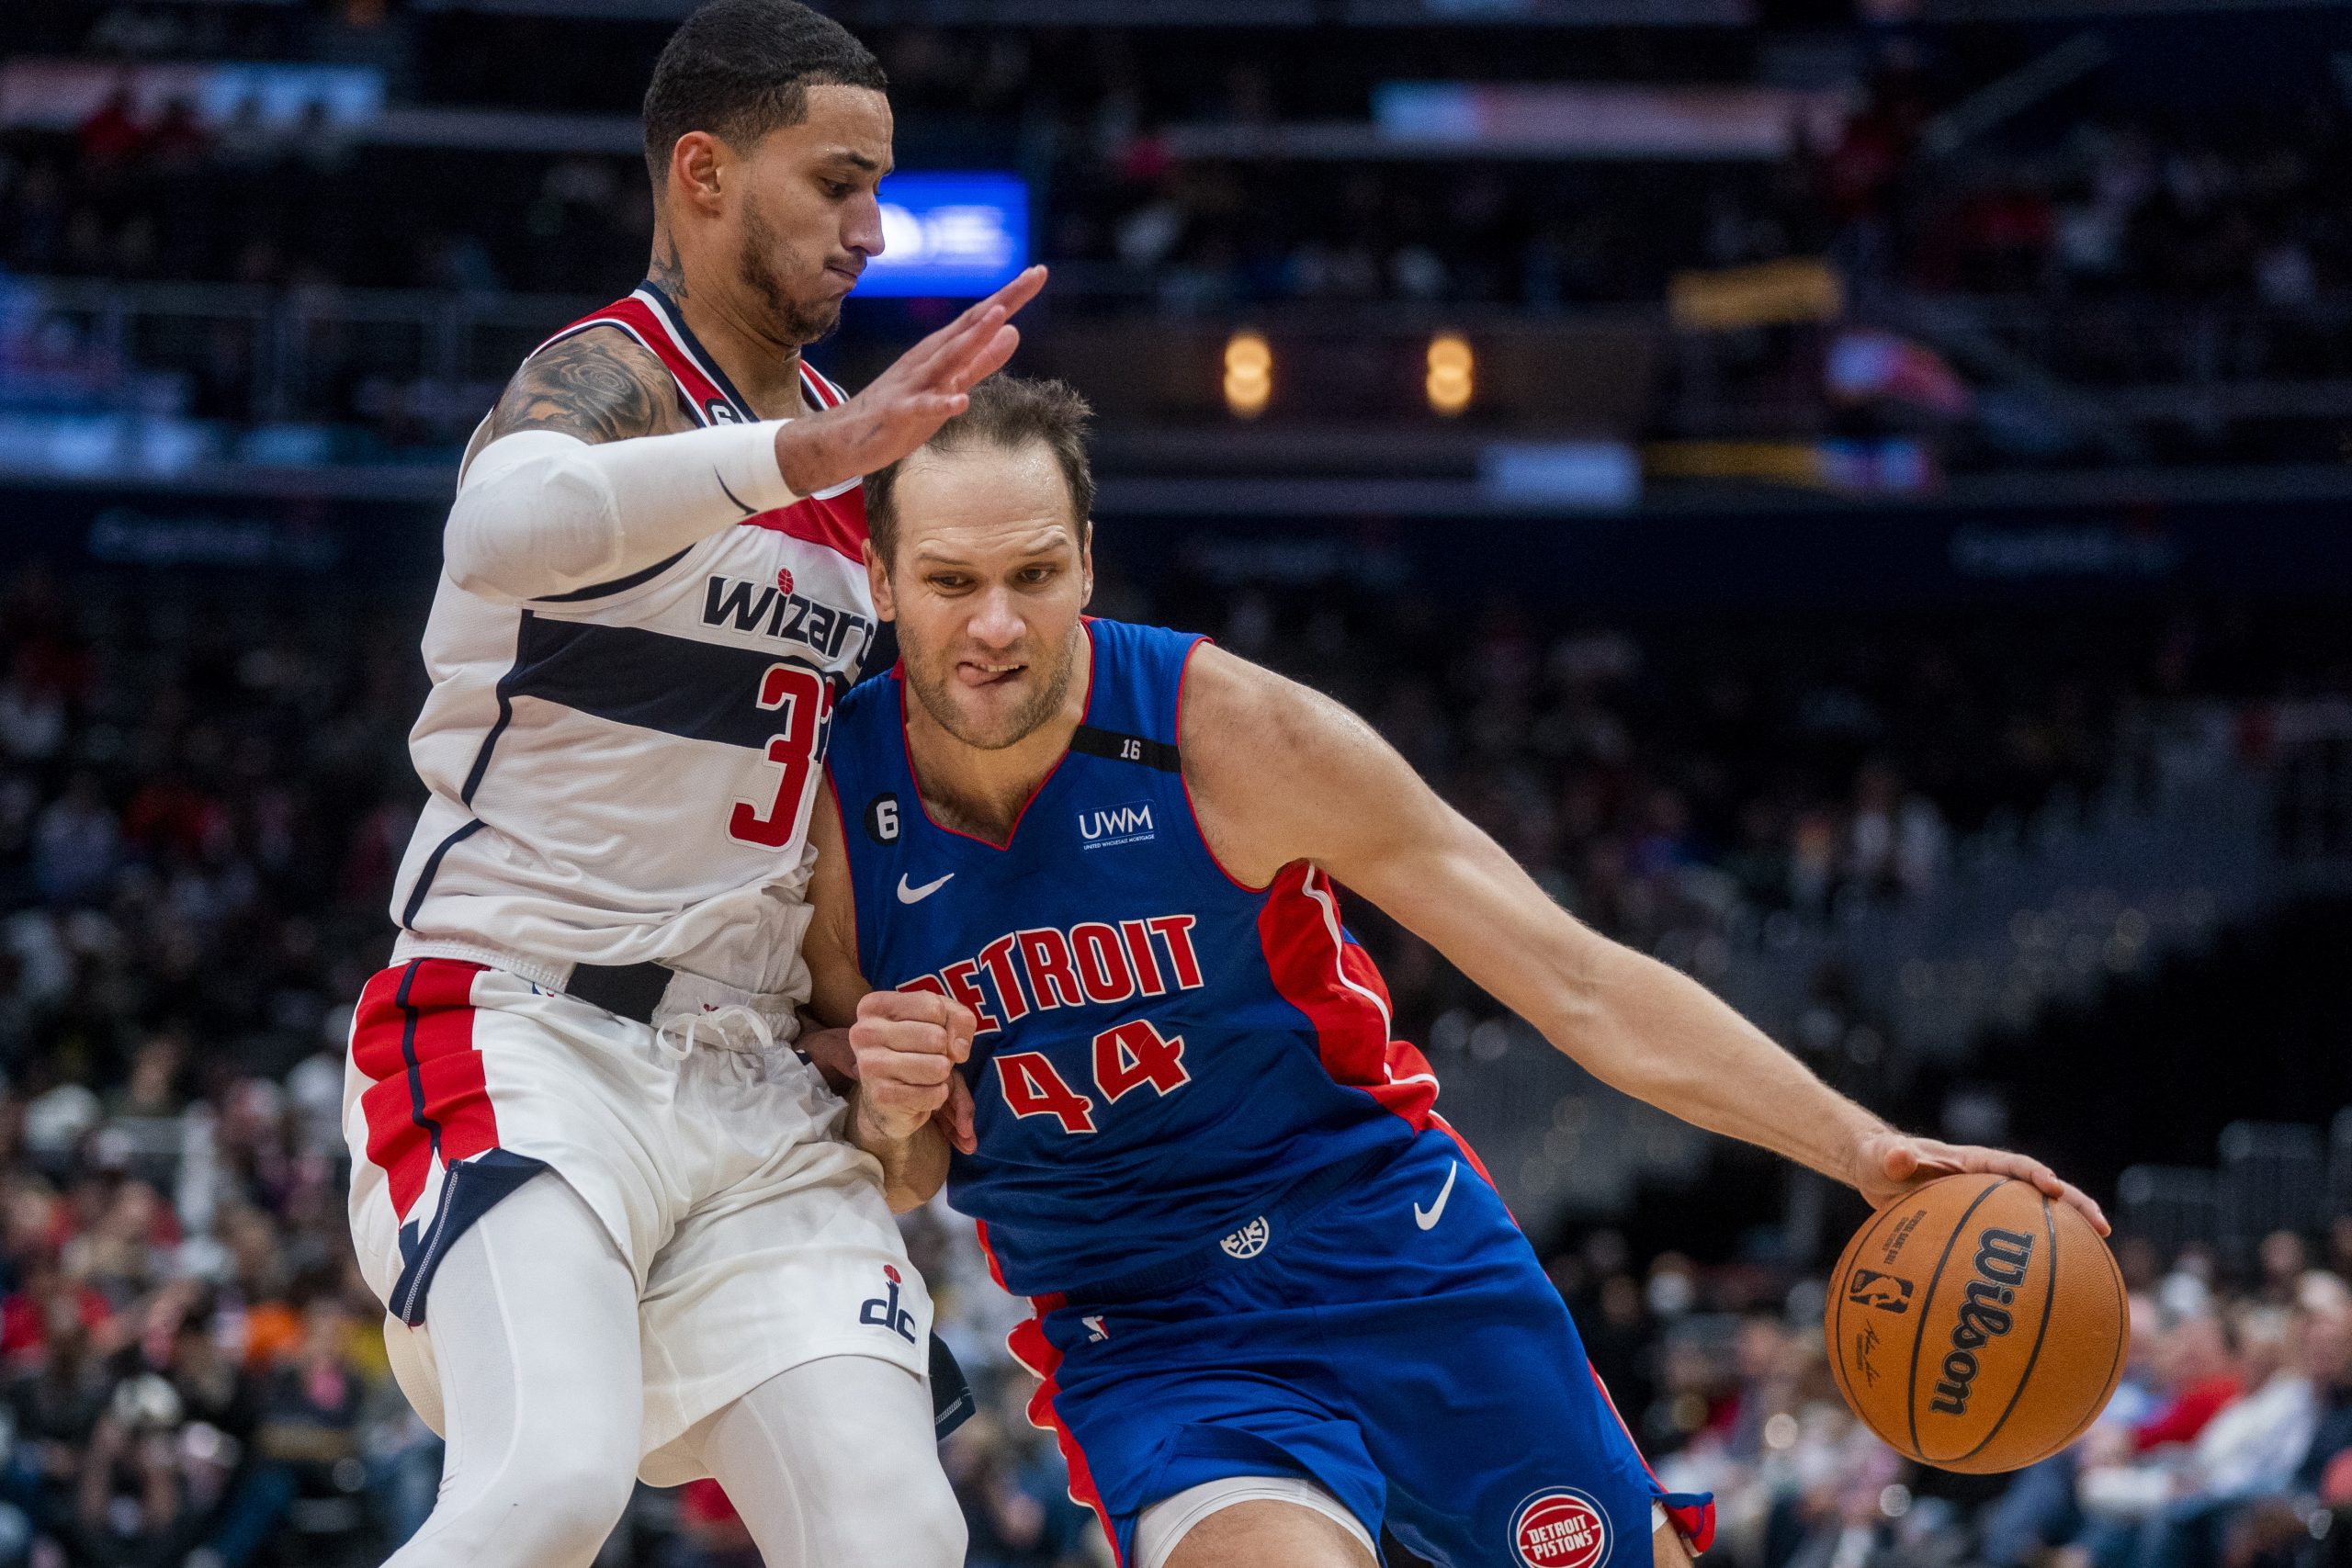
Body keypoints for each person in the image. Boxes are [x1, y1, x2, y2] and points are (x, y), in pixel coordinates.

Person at [800, 375, 2112, 1568]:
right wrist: (888, 1106)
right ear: (880, 577)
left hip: (1384, 1242)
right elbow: (908, 1169)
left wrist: (1859, 1148)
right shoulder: (833, 811)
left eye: (1032, 574)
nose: (995, 625)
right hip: (1151, 1327)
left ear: (1086, 563)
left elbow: (1580, 983)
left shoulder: (1230, 735)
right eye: (950, 579)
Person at [342, 1, 1046, 1563]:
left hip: (750, 1087)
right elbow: (499, 533)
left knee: (900, 1538)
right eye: (838, 183)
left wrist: (868, 1025)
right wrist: (798, 463)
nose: (872, 229)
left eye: (882, 188)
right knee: (545, 1490)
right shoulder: (610, 378)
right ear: (707, 172)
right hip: (521, 1027)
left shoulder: (852, 464)